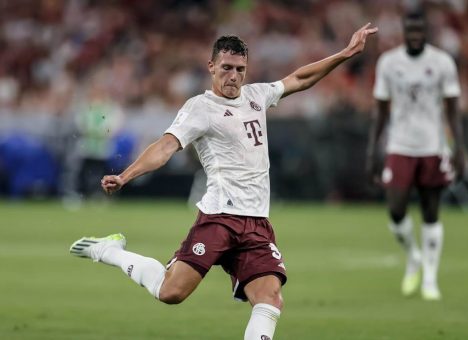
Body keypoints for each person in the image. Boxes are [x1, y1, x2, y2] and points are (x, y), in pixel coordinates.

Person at [70, 23, 378, 339]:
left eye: (240, 69)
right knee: (171, 292)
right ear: (212, 67)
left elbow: (300, 78)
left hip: (257, 223)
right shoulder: (200, 108)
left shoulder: (257, 95)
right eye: (227, 68)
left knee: (270, 298)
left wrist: (345, 53)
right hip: (220, 218)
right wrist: (125, 176)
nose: (233, 76)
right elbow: (165, 146)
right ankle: (110, 251)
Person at [366, 12, 465, 301]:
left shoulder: (442, 62)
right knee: (396, 209)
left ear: (427, 32)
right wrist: (373, 151)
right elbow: (381, 110)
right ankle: (413, 255)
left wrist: (460, 148)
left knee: (431, 211)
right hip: (400, 145)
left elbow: (453, 109)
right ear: (404, 31)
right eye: (410, 30)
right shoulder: (389, 62)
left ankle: (430, 279)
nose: (415, 35)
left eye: (420, 30)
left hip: (433, 147)